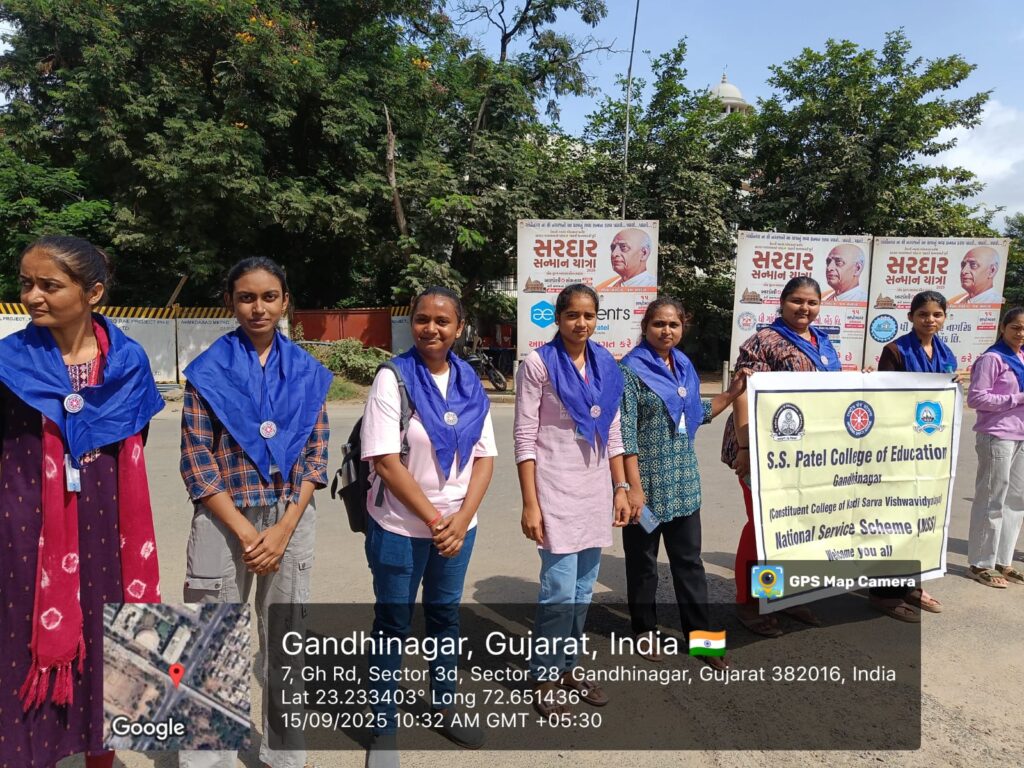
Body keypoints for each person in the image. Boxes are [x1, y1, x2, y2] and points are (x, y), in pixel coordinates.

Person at [0, 236, 163, 768]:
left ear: (92, 292)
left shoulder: (128, 364)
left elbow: (132, 445)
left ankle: (101, 757)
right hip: (24, 532)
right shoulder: (8, 362)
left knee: (106, 643)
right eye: (27, 283)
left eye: (49, 285)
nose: (32, 296)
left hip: (108, 530)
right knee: (21, 649)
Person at [179, 257, 331, 768]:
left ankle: (284, 756)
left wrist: (284, 527)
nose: (258, 308)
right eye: (246, 297)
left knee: (286, 641)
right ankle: (208, 758)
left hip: (290, 519)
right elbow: (197, 461)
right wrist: (246, 532)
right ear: (230, 302)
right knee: (213, 638)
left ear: (285, 301)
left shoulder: (307, 373)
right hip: (224, 520)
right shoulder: (208, 371)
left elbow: (316, 456)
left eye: (269, 297)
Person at [360, 286, 496, 767]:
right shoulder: (392, 379)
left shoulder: (469, 380)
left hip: (458, 527)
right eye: (423, 319)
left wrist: (461, 519)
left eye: (443, 321)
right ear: (411, 323)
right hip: (400, 528)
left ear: (459, 328)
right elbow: (384, 461)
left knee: (444, 617)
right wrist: (439, 521)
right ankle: (382, 728)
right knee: (392, 624)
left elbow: (485, 458)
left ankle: (444, 703)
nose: (431, 328)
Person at [515, 283, 631, 716]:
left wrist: (620, 487)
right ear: (558, 318)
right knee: (559, 591)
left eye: (588, 315)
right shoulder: (538, 364)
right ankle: (544, 676)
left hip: (595, 490)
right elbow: (524, 436)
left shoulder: (605, 362)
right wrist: (530, 503)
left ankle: (569, 667)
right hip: (554, 489)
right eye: (572, 315)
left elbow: (613, 430)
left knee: (583, 590)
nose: (581, 323)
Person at [618, 297, 747, 670]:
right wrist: (633, 489)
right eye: (659, 324)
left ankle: (702, 639)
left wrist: (731, 394)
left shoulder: (684, 367)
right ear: (645, 327)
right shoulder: (630, 371)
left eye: (673, 324)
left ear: (682, 328)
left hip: (684, 485)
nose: (666, 331)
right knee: (643, 564)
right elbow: (625, 435)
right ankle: (644, 629)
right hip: (646, 488)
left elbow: (696, 415)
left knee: (689, 564)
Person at [724, 276, 841, 636]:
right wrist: (746, 448)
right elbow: (744, 394)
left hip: (805, 452)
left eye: (812, 302)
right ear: (782, 302)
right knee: (762, 527)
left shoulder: (823, 342)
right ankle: (748, 602)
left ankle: (778, 595)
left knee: (793, 525)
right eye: (797, 301)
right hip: (762, 447)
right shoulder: (763, 341)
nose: (804, 308)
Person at [869, 291, 958, 619]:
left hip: (929, 450)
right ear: (911, 317)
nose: (930, 320)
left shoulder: (946, 354)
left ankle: (910, 585)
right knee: (893, 518)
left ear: (944, 317)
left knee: (920, 517)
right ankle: (883, 593)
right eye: (923, 314)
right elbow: (884, 398)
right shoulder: (895, 351)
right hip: (897, 448)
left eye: (937, 314)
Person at [965, 306, 1024, 588]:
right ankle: (980, 563)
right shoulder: (992, 358)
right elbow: (976, 398)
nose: (1021, 333)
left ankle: (1003, 560)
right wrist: (1017, 398)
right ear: (1003, 328)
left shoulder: (1022, 356)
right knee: (992, 499)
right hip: (997, 434)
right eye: (1016, 327)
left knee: (1016, 500)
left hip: (1020, 434)